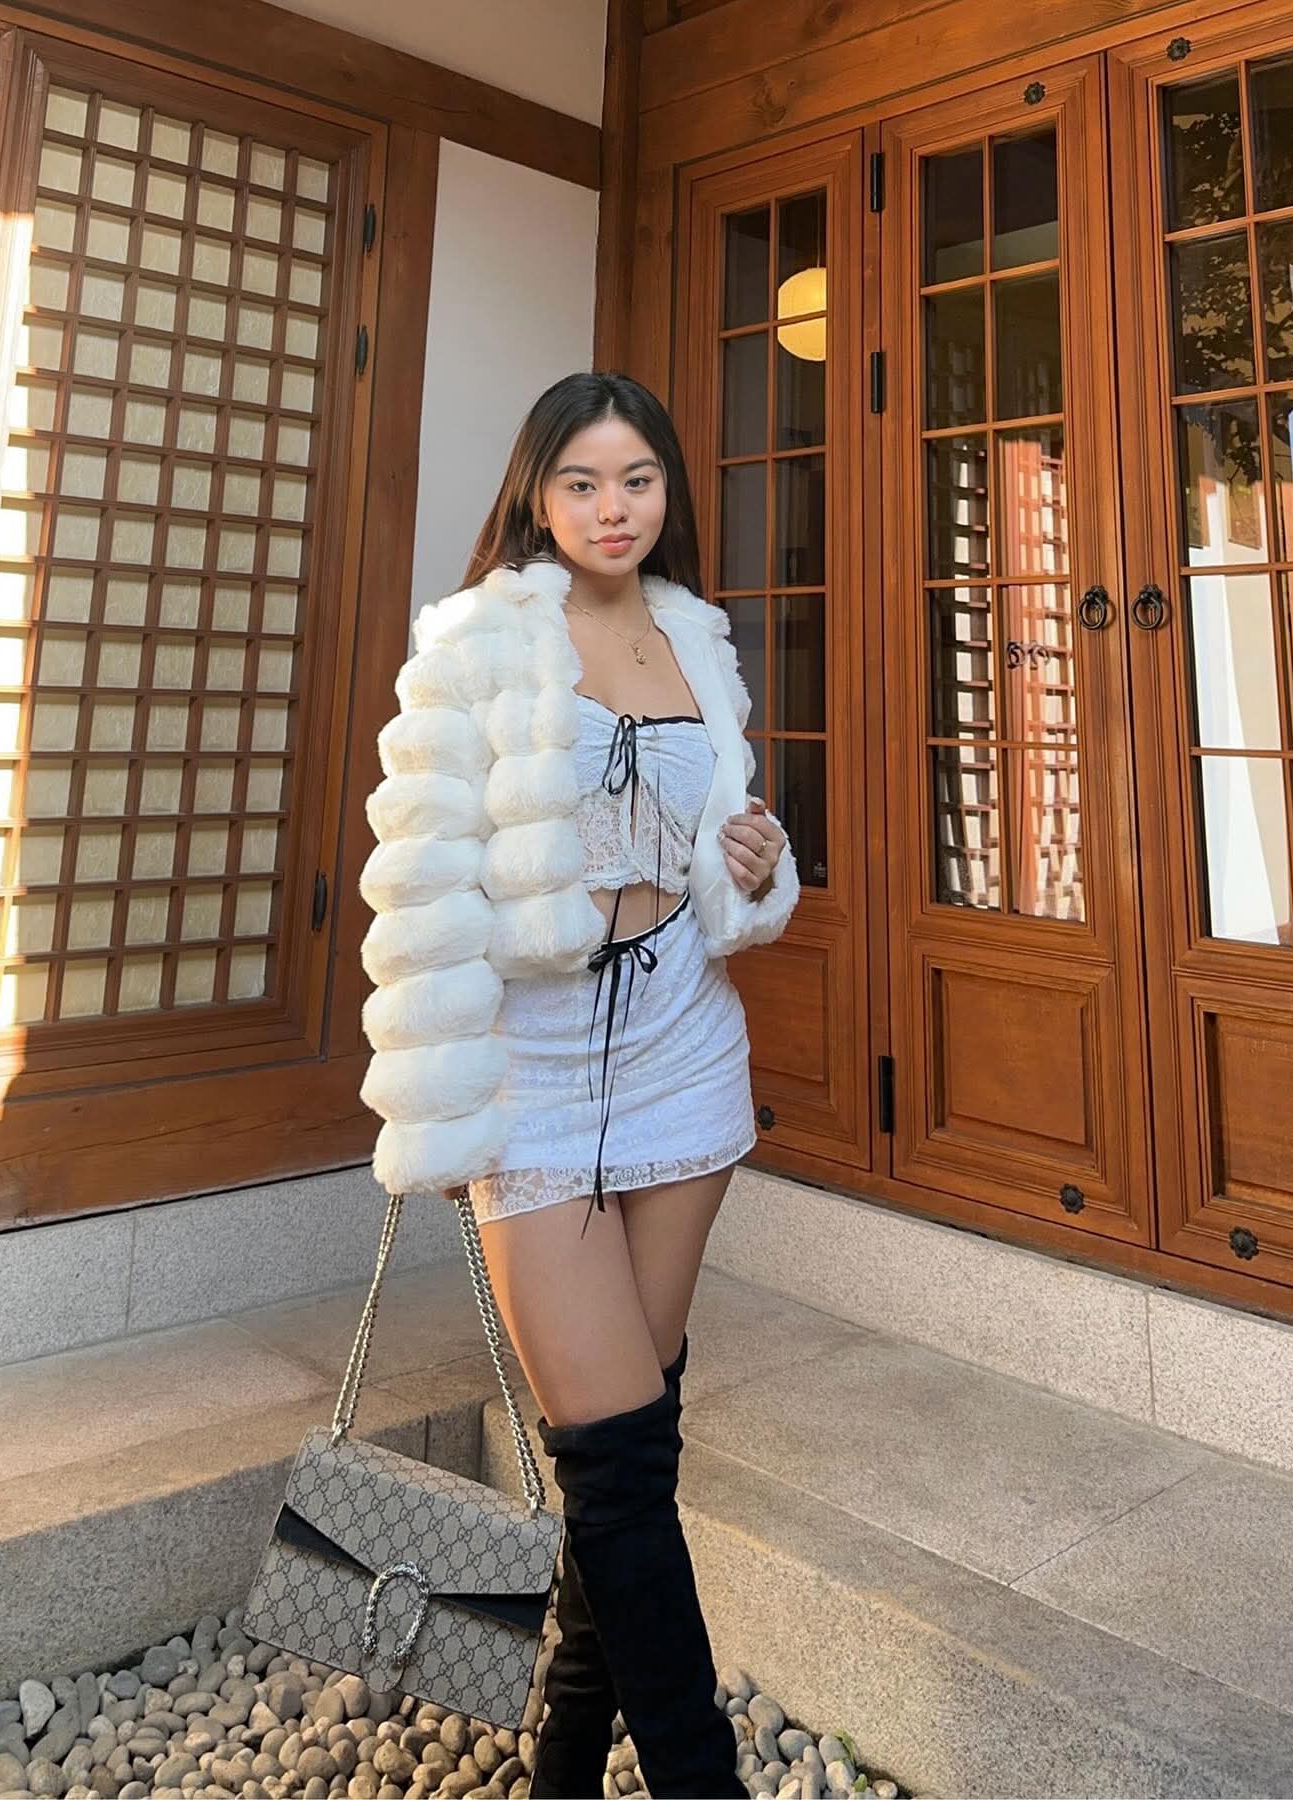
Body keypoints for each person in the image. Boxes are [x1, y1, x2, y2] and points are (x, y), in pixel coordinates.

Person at [359, 370, 800, 1798]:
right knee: (609, 1452)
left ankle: (562, 1751)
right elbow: (419, 887)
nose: (615, 509)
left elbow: (727, 844)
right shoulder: (477, 640)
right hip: (533, 1068)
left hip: (683, 1044)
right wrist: (440, 1108)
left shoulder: (695, 635)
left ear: (669, 490)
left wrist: (756, 868)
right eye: (583, 483)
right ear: (537, 496)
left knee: (631, 1455)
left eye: (639, 480)